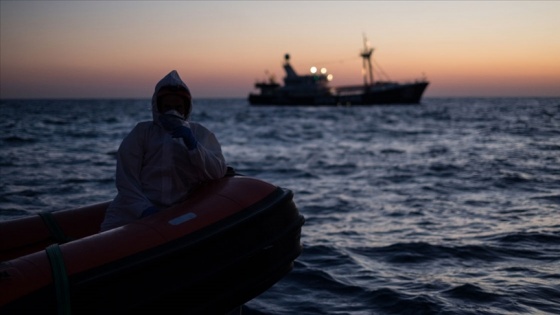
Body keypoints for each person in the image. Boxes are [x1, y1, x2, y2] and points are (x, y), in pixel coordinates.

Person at [100, 70, 227, 231]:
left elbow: (217, 172)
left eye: (177, 107)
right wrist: (144, 209)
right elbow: (126, 180)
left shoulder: (200, 134)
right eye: (167, 107)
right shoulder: (142, 133)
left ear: (186, 108)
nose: (172, 112)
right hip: (132, 211)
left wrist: (194, 146)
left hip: (178, 212)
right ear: (158, 107)